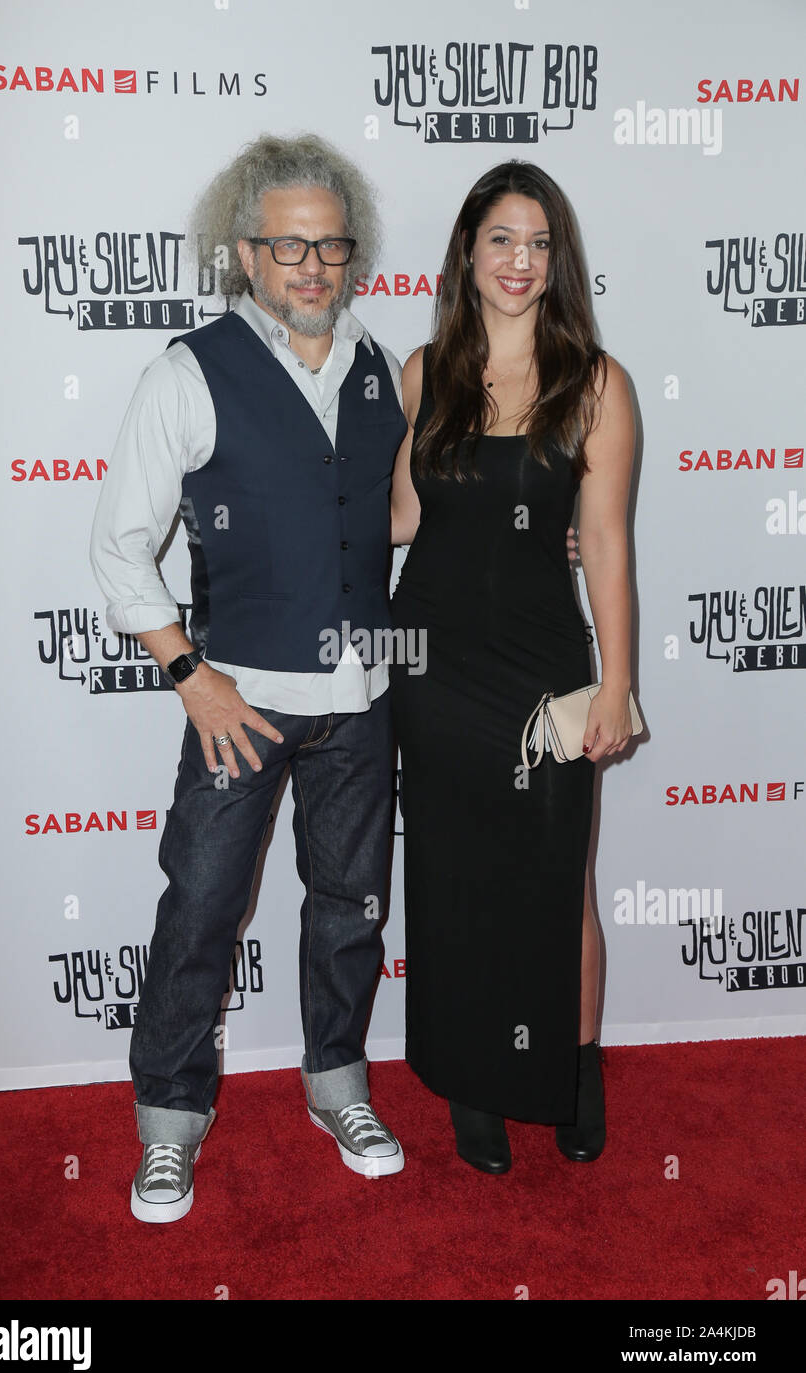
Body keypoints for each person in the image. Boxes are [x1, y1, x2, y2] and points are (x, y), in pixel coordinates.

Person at [89, 133, 410, 1223]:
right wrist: (191, 675)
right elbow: (118, 546)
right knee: (201, 910)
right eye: (288, 247)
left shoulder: (378, 366)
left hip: (361, 703)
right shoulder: (190, 369)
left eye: (330, 246)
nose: (312, 267)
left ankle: (337, 1086)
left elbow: (405, 516)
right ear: (243, 253)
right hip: (240, 703)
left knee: (350, 909)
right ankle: (169, 1121)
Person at [388, 160, 637, 1174]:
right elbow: (401, 519)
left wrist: (615, 682)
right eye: (501, 239)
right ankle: (472, 1078)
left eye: (538, 243)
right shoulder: (421, 372)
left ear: (557, 259)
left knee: (557, 885)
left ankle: (573, 1066)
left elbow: (607, 544)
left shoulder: (594, 383)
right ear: (466, 251)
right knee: (453, 886)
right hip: (434, 674)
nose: (519, 261)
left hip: (544, 678)